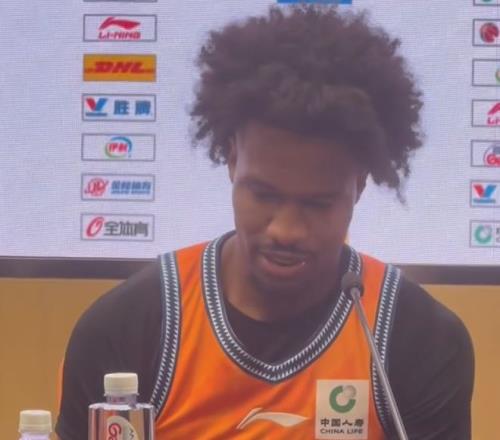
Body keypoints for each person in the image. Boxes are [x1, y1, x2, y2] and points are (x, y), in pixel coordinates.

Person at [56, 5, 474, 439]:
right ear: (231, 158)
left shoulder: (417, 338)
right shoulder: (129, 326)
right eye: (264, 195)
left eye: (317, 204)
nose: (286, 230)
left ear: (360, 184)